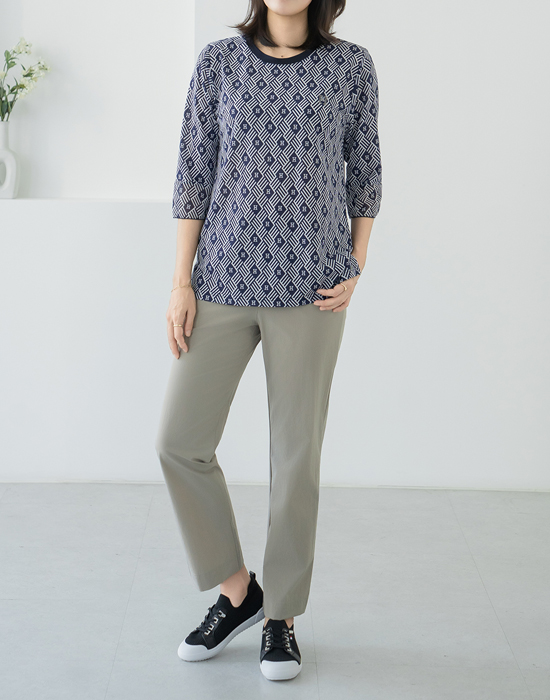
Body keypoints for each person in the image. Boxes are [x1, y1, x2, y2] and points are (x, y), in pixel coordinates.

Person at [155, 0, 382, 682]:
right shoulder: (219, 63)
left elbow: (365, 172)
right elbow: (193, 172)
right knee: (179, 442)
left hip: (314, 289)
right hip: (221, 281)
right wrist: (180, 282)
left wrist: (355, 265)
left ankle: (280, 616)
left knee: (295, 458)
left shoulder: (351, 66)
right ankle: (238, 592)